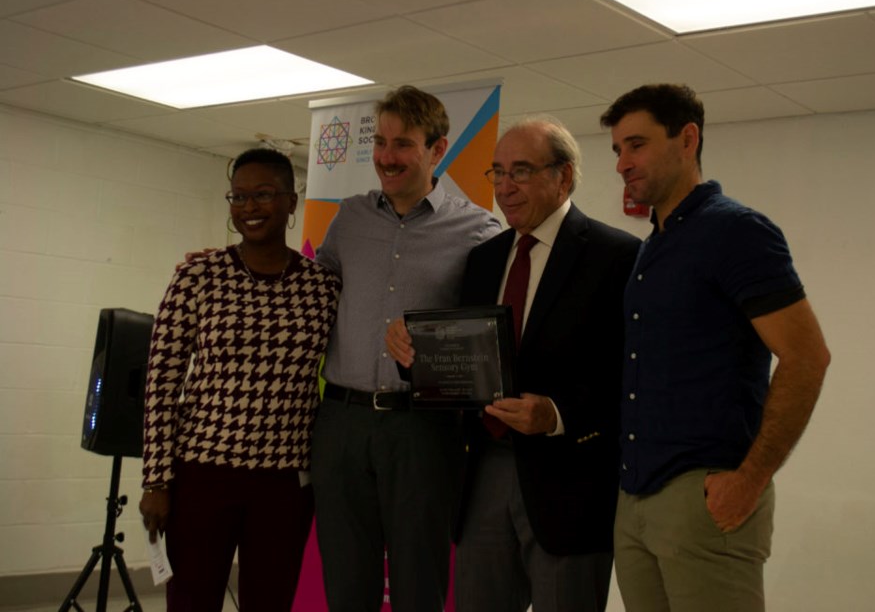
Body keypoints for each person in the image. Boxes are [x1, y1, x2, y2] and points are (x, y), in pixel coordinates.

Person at [387, 118, 641, 611]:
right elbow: (464, 358)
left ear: (563, 177)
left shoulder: (617, 256)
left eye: (520, 172)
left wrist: (558, 414)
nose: (504, 188)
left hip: (570, 485)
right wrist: (411, 356)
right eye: (497, 172)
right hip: (483, 471)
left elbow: (631, 377)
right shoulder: (484, 258)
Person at [599, 84, 831, 612]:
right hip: (636, 496)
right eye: (617, 150)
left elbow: (807, 357)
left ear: (687, 139)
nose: (622, 164)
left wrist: (749, 480)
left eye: (636, 145)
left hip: (704, 499)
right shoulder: (654, 246)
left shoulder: (736, 231)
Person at [310, 85, 501, 612]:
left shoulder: (479, 229)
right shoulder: (348, 218)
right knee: (347, 580)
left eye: (404, 145)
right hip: (341, 422)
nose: (386, 158)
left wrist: (430, 338)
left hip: (422, 429)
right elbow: (313, 300)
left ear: (438, 150)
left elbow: (488, 337)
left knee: (419, 579)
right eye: (381, 142)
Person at [138, 148, 341, 611]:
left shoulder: (323, 287)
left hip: (285, 485)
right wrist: (156, 480)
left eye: (264, 195)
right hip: (203, 476)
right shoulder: (198, 277)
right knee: (192, 601)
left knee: (269, 602)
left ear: (292, 202)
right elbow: (161, 384)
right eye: (239, 197)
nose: (249, 207)